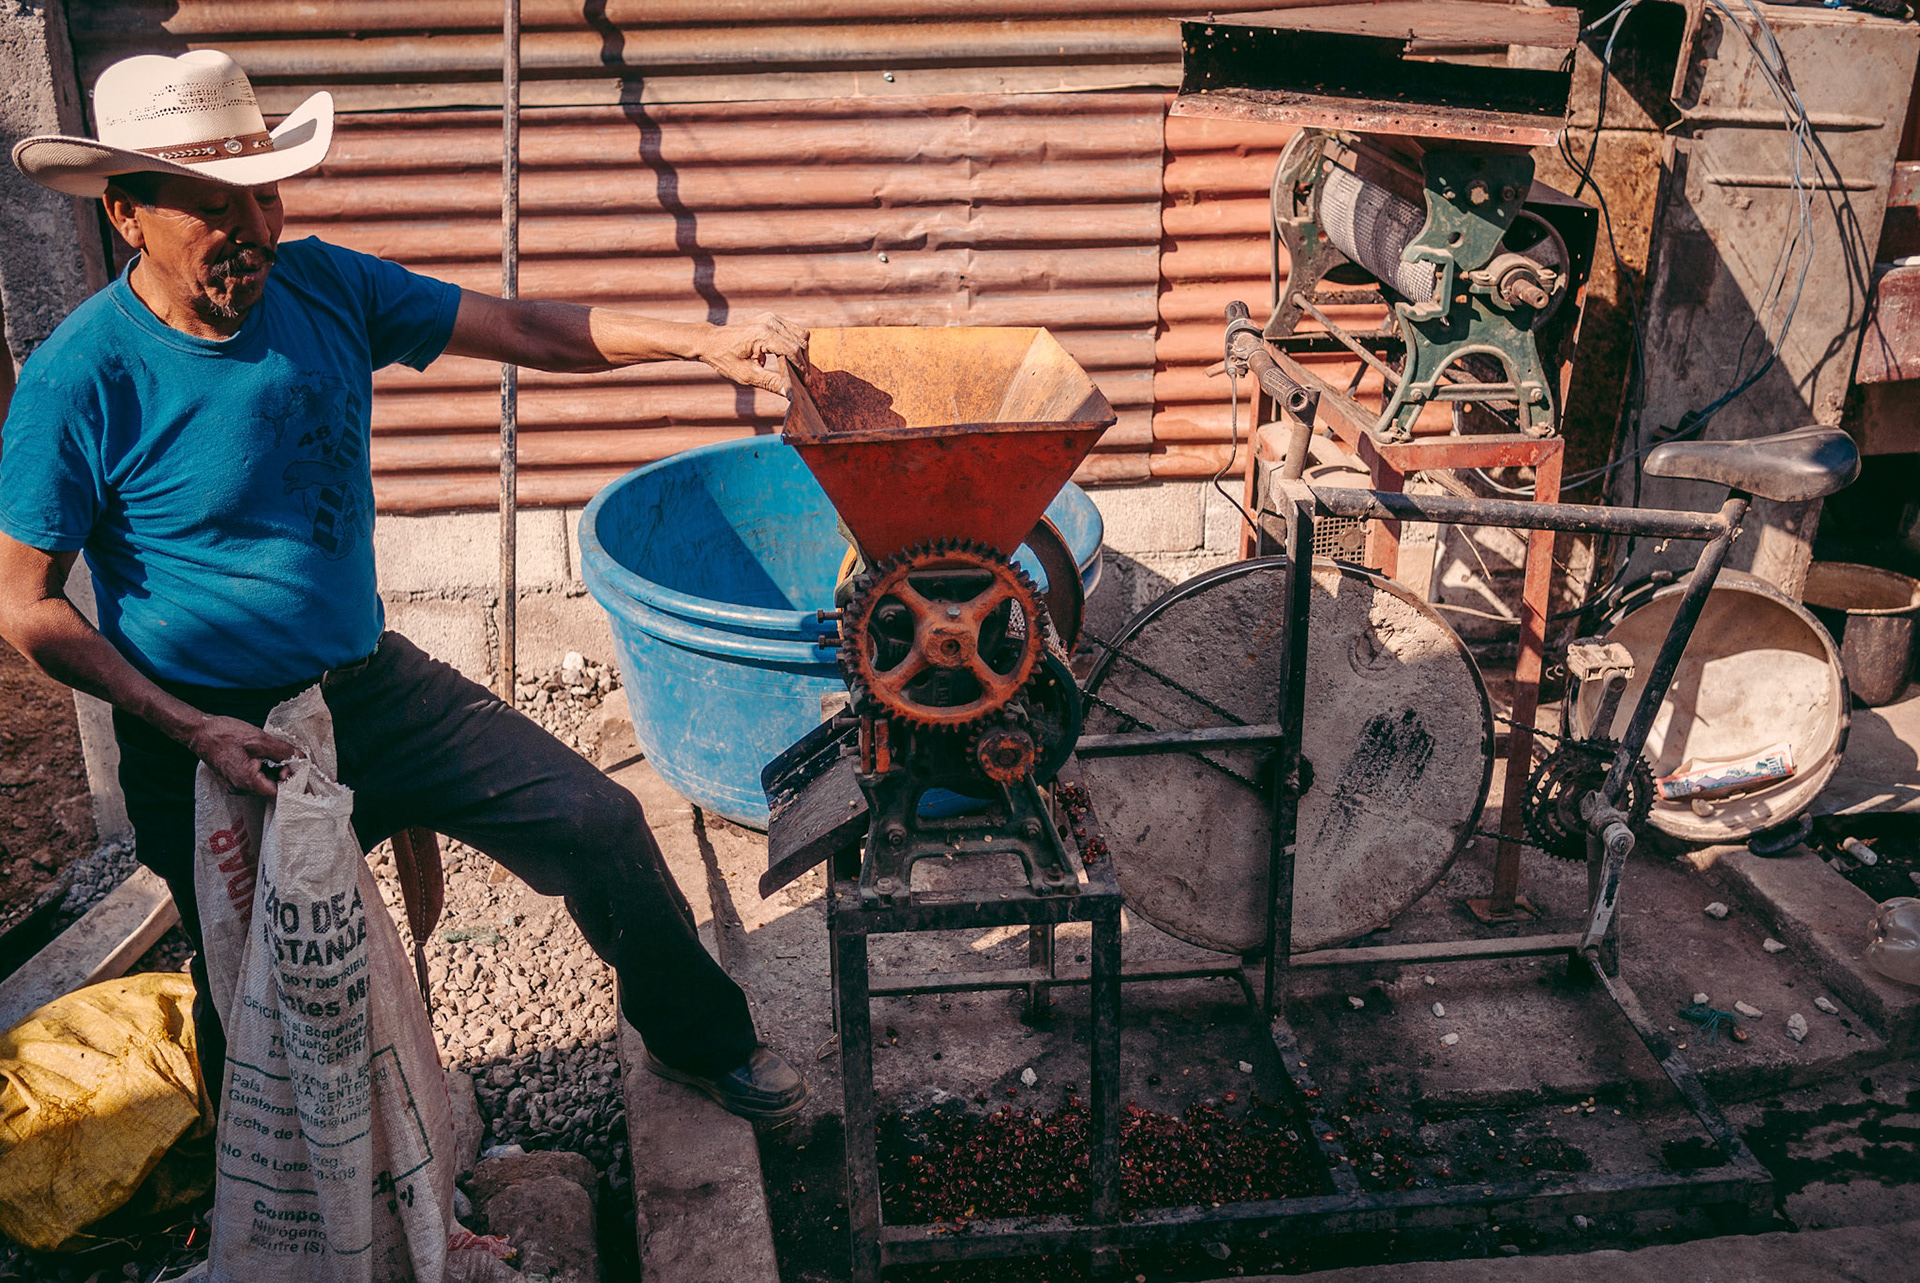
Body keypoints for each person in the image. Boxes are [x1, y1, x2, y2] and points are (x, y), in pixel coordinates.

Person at [0, 50, 809, 1120]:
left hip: (370, 689)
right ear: (128, 213)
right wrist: (190, 727)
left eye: (262, 195)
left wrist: (698, 343)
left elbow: (521, 326)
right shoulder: (78, 377)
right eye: (210, 206)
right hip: (208, 736)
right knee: (251, 984)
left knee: (596, 818)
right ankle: (247, 1191)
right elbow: (26, 606)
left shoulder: (327, 284)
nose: (250, 230)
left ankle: (701, 1039)